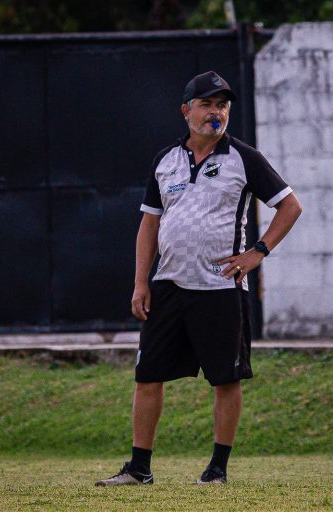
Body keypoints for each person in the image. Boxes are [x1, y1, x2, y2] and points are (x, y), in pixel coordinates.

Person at [95, 70, 302, 486]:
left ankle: (217, 469)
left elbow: (290, 206)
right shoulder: (165, 161)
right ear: (186, 110)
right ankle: (139, 468)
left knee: (225, 378)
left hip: (221, 286)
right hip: (168, 284)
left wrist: (257, 252)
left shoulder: (244, 158)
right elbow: (149, 226)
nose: (216, 112)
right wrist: (141, 282)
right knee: (147, 374)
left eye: (223, 105)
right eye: (207, 104)